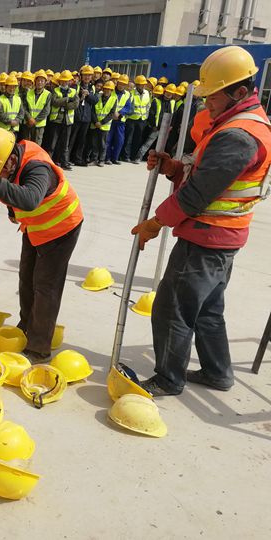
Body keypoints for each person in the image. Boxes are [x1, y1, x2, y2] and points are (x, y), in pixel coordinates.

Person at [132, 46, 271, 397]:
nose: (206, 103)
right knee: (208, 308)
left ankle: (168, 378)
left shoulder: (238, 135)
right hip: (222, 236)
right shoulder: (235, 123)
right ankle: (217, 372)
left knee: (172, 307)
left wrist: (155, 223)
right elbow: (202, 176)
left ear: (240, 92)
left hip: (207, 237)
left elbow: (197, 196)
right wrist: (173, 168)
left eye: (213, 96)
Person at [0, 127, 83, 362]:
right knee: (27, 278)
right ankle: (26, 328)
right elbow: (16, 190)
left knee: (45, 287)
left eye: (0, 171)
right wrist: (13, 209)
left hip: (61, 226)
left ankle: (38, 347)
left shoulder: (37, 167)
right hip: (36, 227)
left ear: (12, 160)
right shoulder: (12, 161)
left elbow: (31, 199)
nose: (0, 176)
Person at [45, 70, 79, 170]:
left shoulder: (73, 91)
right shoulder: (55, 91)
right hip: (56, 120)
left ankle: (64, 162)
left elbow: (76, 104)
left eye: (66, 81)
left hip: (67, 121)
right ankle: (49, 162)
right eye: (62, 81)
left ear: (70, 81)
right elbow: (54, 102)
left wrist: (65, 104)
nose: (64, 83)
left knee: (65, 144)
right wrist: (67, 100)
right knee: (52, 143)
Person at [69, 65, 98, 166]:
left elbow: (95, 101)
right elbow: (72, 100)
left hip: (86, 117)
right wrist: (80, 96)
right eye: (85, 75)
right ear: (81, 75)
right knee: (72, 139)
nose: (87, 77)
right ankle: (67, 158)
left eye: (89, 75)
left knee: (82, 140)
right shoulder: (75, 86)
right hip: (76, 116)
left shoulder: (92, 88)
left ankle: (77, 159)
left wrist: (88, 95)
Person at [121, 75, 151, 162]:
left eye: (144, 84)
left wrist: (146, 117)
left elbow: (148, 106)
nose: (143, 86)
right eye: (141, 84)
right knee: (128, 138)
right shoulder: (131, 93)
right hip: (131, 119)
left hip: (142, 120)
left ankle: (133, 156)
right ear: (137, 85)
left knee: (137, 139)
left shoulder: (147, 93)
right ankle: (126, 156)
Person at [105, 74, 133, 164]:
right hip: (109, 119)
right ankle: (107, 158)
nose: (121, 85)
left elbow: (128, 107)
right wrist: (113, 113)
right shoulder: (111, 91)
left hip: (120, 120)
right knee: (108, 140)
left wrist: (120, 113)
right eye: (120, 83)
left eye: (124, 84)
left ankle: (115, 158)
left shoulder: (128, 94)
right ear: (117, 83)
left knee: (119, 141)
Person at [133, 84, 165, 162]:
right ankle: (138, 157)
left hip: (163, 127)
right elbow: (152, 114)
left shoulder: (167, 102)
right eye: (156, 93)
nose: (157, 94)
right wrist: (153, 125)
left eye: (158, 93)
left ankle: (153, 159)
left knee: (157, 145)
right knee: (148, 143)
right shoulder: (156, 101)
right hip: (155, 126)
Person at [88, 81, 117, 166]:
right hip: (95, 124)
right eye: (106, 89)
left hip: (104, 126)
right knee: (94, 143)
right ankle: (94, 159)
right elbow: (92, 110)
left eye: (109, 90)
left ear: (112, 91)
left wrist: (102, 122)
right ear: (103, 89)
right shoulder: (97, 97)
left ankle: (101, 160)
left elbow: (111, 114)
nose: (107, 91)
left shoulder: (113, 100)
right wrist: (96, 121)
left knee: (103, 144)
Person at [24, 70, 51, 146]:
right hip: (28, 124)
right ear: (35, 81)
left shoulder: (48, 94)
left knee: (36, 146)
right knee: (27, 145)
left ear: (45, 82)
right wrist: (29, 118)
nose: (40, 82)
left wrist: (35, 121)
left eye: (42, 81)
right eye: (38, 80)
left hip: (39, 125)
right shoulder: (28, 93)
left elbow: (46, 111)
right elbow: (24, 108)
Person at [0, 75, 24, 140]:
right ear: (6, 87)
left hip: (14, 130)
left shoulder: (18, 99)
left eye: (14, 87)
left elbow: (21, 113)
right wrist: (11, 122)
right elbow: (0, 114)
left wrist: (17, 121)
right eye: (10, 87)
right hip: (3, 129)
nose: (12, 89)